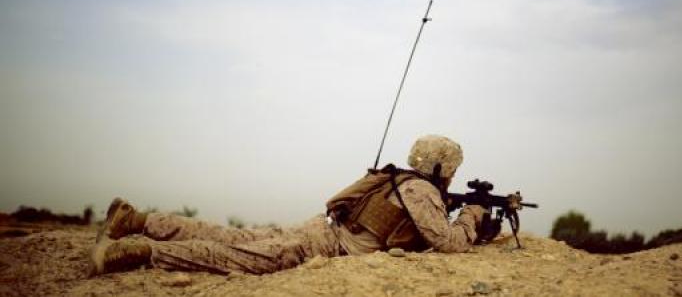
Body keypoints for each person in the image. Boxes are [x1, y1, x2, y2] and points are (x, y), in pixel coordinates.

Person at [89, 135, 488, 275]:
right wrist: (473, 215)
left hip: (321, 230)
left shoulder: (400, 179)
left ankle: (137, 219)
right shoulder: (422, 191)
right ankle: (138, 252)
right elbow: (448, 242)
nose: (453, 177)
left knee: (233, 236)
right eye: (452, 170)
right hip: (325, 246)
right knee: (235, 255)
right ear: (440, 167)